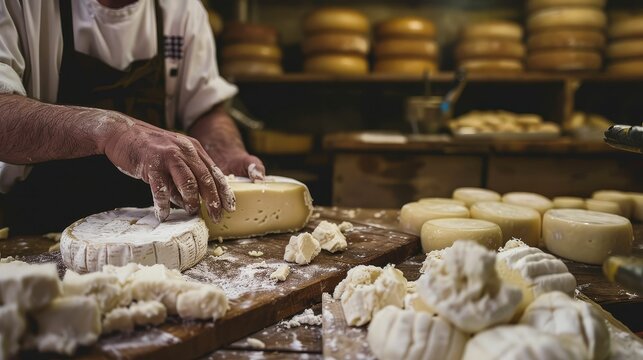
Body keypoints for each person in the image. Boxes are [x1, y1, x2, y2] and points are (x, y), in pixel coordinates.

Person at [0, 0, 265, 234]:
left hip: (153, 230)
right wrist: (112, 132)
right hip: (37, 230)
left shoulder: (182, 9)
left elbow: (203, 107)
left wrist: (222, 152)